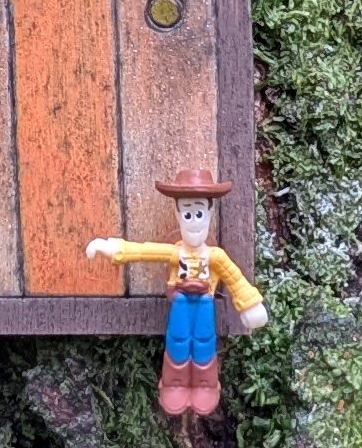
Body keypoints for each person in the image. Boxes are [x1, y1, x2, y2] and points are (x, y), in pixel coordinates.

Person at [87, 172, 267, 416]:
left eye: (200, 214)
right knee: (178, 340)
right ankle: (174, 383)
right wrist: (112, 248)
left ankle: (205, 384)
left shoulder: (215, 256)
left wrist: (249, 305)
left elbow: (235, 278)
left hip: (204, 303)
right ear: (178, 215)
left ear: (210, 215)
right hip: (180, 302)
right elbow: (143, 251)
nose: (194, 222)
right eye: (188, 214)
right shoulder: (175, 253)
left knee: (204, 341)